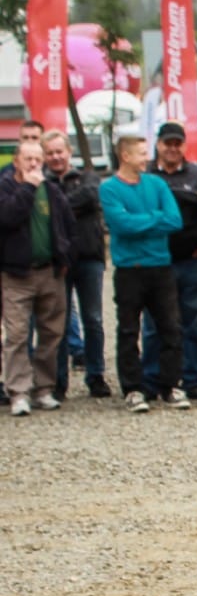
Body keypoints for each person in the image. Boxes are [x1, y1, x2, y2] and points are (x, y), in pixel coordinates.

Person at [100, 134, 188, 412]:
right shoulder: (110, 188)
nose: (146, 158)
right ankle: (133, 388)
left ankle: (170, 384)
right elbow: (121, 224)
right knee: (128, 330)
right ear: (124, 156)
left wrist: (143, 221)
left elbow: (174, 220)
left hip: (160, 267)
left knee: (171, 328)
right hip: (129, 270)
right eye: (140, 153)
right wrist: (155, 218)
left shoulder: (157, 184)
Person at [1, 140, 73, 416]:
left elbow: (67, 226)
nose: (34, 164)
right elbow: (7, 217)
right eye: (28, 159)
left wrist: (65, 257)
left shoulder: (52, 191)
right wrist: (29, 187)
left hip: (50, 272)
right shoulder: (6, 188)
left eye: (37, 159)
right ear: (16, 161)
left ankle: (44, 388)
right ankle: (18, 391)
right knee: (17, 334)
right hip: (16, 273)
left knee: (51, 333)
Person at [144, 122, 197, 400]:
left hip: (193, 261)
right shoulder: (146, 175)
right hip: (156, 261)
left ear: (184, 146)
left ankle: (191, 378)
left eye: (177, 143)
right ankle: (153, 378)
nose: (172, 149)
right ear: (158, 144)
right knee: (154, 324)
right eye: (167, 143)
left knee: (195, 322)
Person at [42, 130, 109, 400]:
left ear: (69, 152)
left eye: (60, 151)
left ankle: (96, 375)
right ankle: (58, 381)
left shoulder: (88, 177)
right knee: (56, 322)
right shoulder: (41, 184)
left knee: (93, 319)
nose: (56, 157)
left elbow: (91, 197)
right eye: (51, 153)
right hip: (57, 263)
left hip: (89, 257)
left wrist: (56, 209)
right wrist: (68, 208)